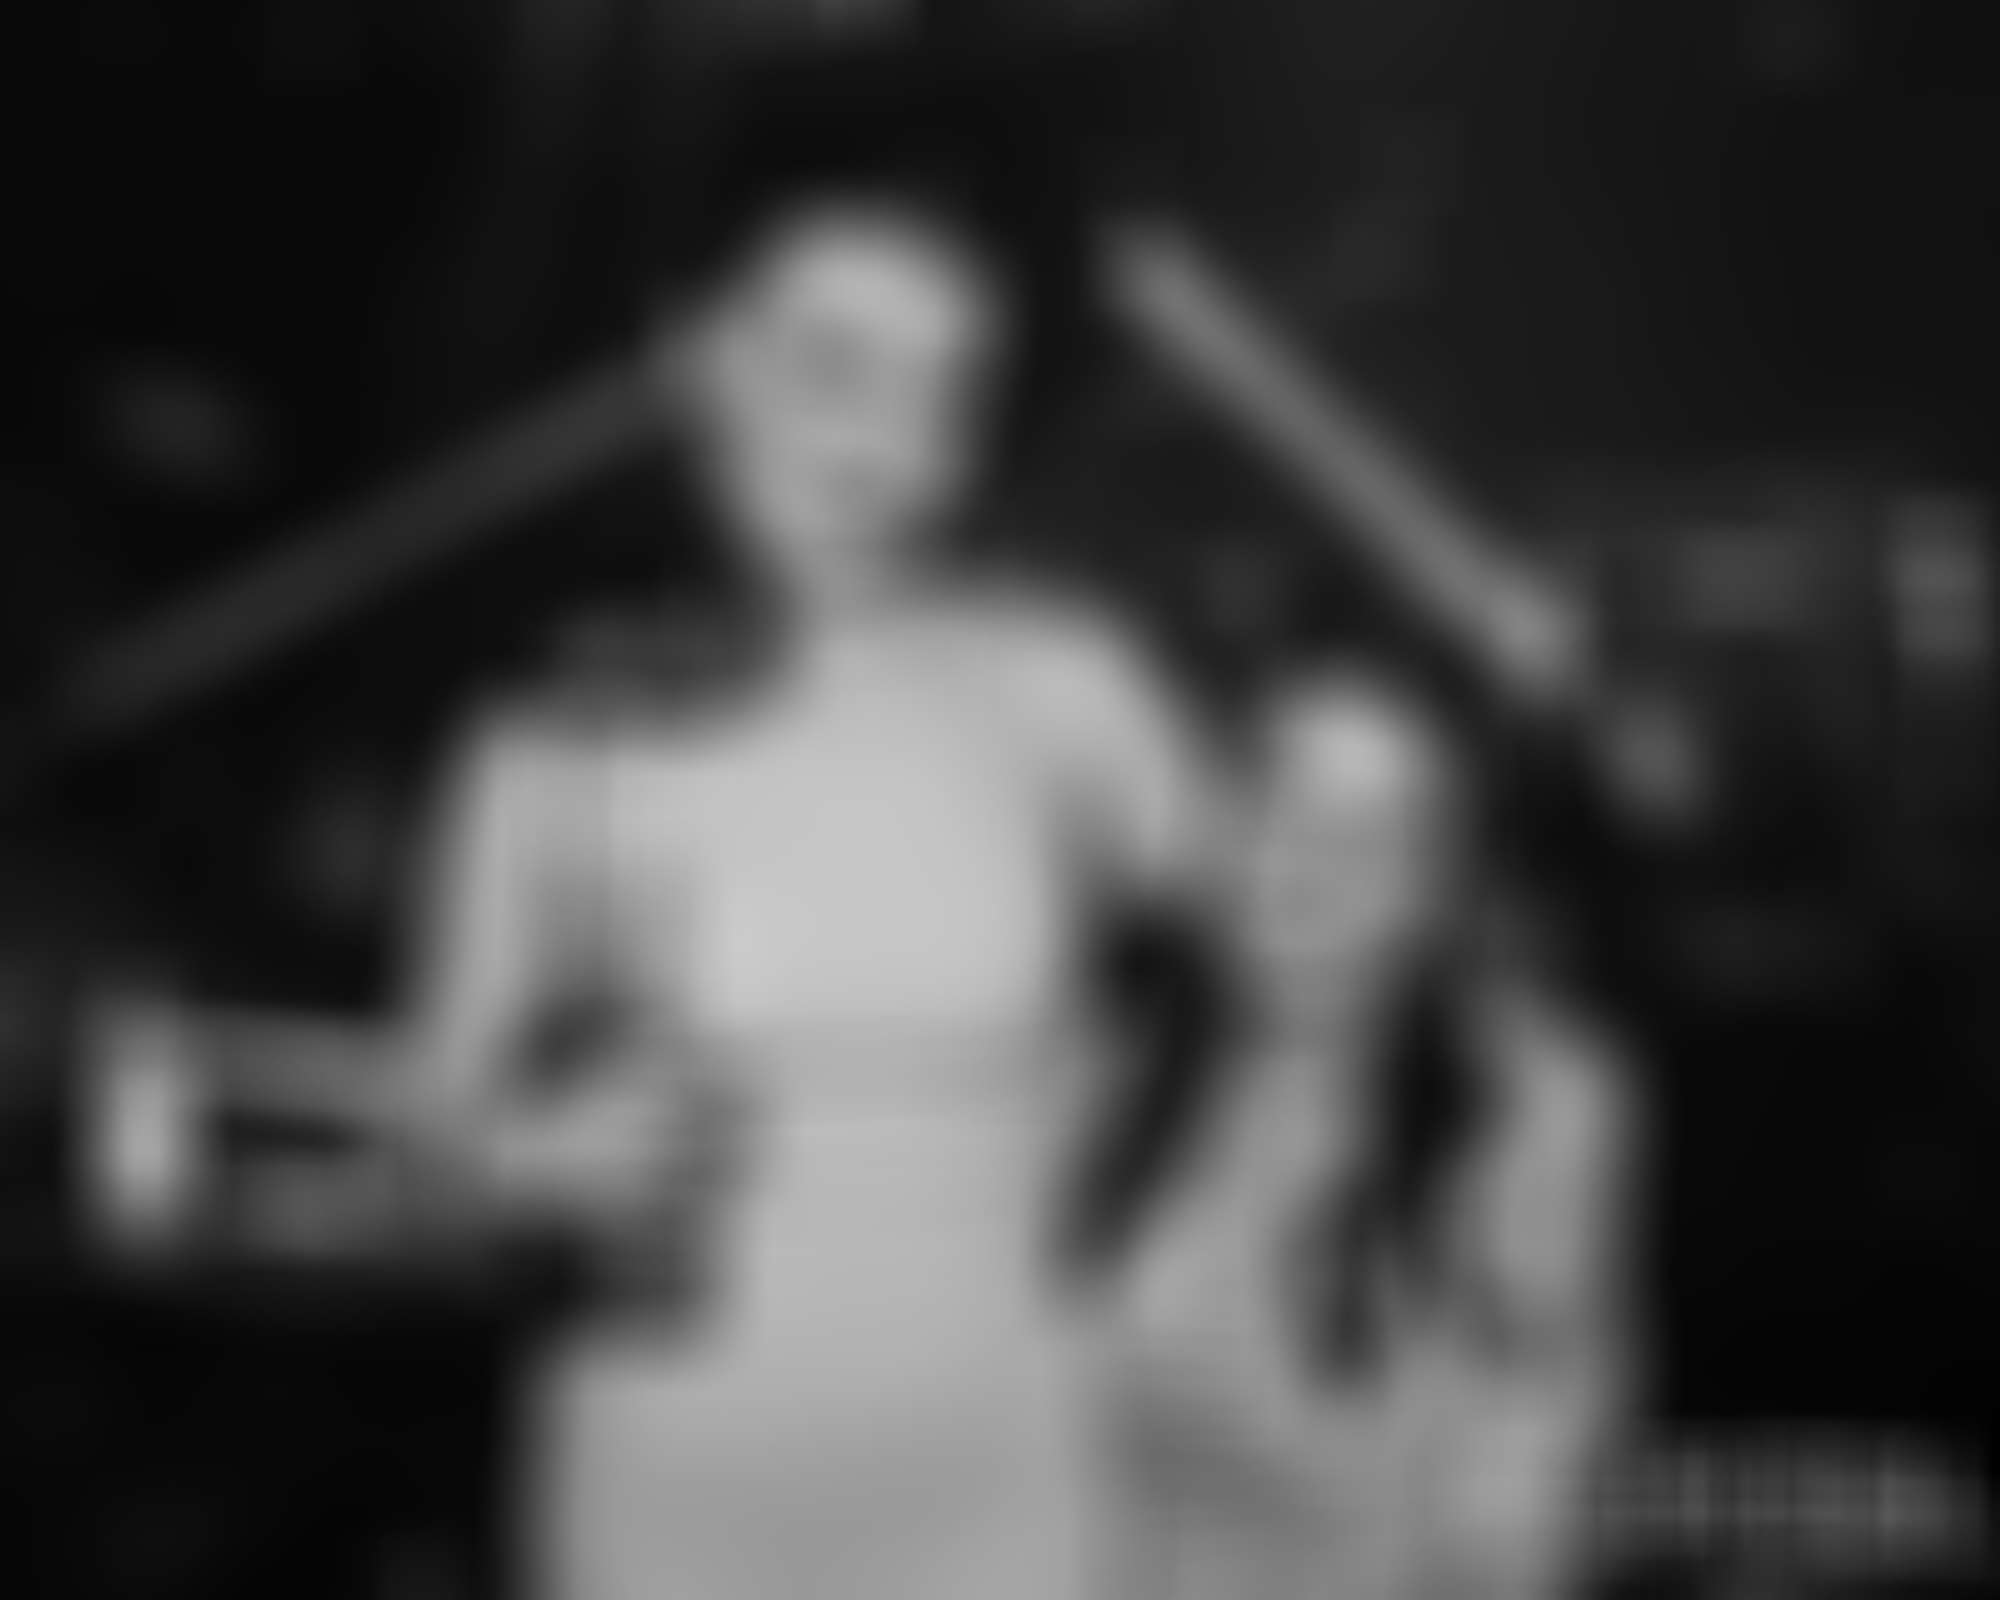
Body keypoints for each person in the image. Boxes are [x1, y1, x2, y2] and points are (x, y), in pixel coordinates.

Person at [400, 83, 1212, 1600]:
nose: (885, 449)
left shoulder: (1067, 682)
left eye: (943, 395)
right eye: (832, 367)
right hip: (665, 1498)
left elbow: (1283, 985)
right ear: (696, 353)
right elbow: (434, 1139)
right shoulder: (552, 730)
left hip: (1003, 1486)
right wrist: (521, 1163)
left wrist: (1130, 1141)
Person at [1098, 663, 1642, 1600]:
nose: (1305, 863)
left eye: (1374, 835)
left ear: (1441, 891)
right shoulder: (1102, 1074)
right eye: (1274, 800)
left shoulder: (1528, 1105)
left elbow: (1521, 1511)